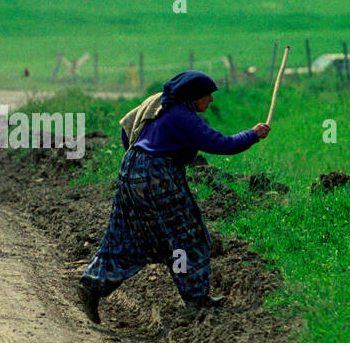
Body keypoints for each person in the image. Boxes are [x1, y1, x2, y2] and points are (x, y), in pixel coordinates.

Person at [77, 70, 271, 323]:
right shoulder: (183, 116)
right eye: (207, 95)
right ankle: (196, 299)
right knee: (189, 237)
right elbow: (221, 145)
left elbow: (126, 129)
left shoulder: (157, 104)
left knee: (126, 234)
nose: (211, 101)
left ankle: (93, 284)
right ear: (193, 96)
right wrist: (253, 135)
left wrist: (141, 160)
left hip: (131, 169)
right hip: (160, 176)